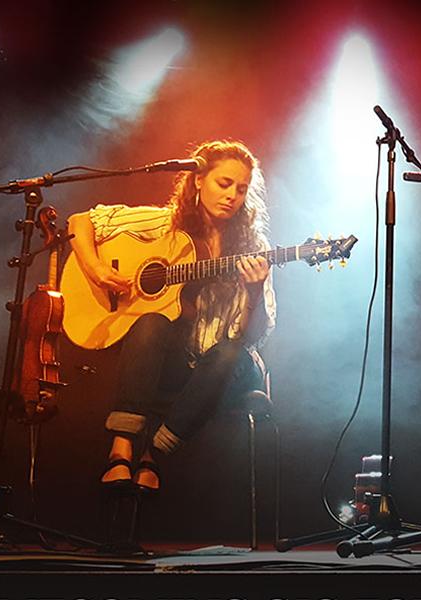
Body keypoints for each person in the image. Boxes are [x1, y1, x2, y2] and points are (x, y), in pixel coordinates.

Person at [67, 139, 276, 493]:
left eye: (241, 189)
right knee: (151, 321)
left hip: (223, 368)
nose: (232, 196)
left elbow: (251, 338)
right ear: (198, 180)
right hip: (174, 360)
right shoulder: (164, 224)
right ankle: (121, 449)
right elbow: (80, 222)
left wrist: (253, 293)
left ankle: (153, 455)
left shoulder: (254, 249)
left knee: (227, 352)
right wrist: (98, 269)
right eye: (223, 183)